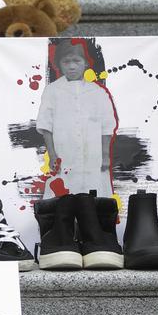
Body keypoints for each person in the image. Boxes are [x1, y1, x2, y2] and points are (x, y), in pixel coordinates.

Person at [36, 40, 116, 198]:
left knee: (94, 190)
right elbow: (46, 124)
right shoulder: (52, 91)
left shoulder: (98, 92)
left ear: (86, 63)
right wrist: (52, 154)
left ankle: (93, 220)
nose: (72, 66)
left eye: (77, 61)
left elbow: (107, 126)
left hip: (93, 154)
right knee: (65, 189)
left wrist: (105, 155)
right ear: (59, 64)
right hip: (64, 153)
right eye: (66, 62)